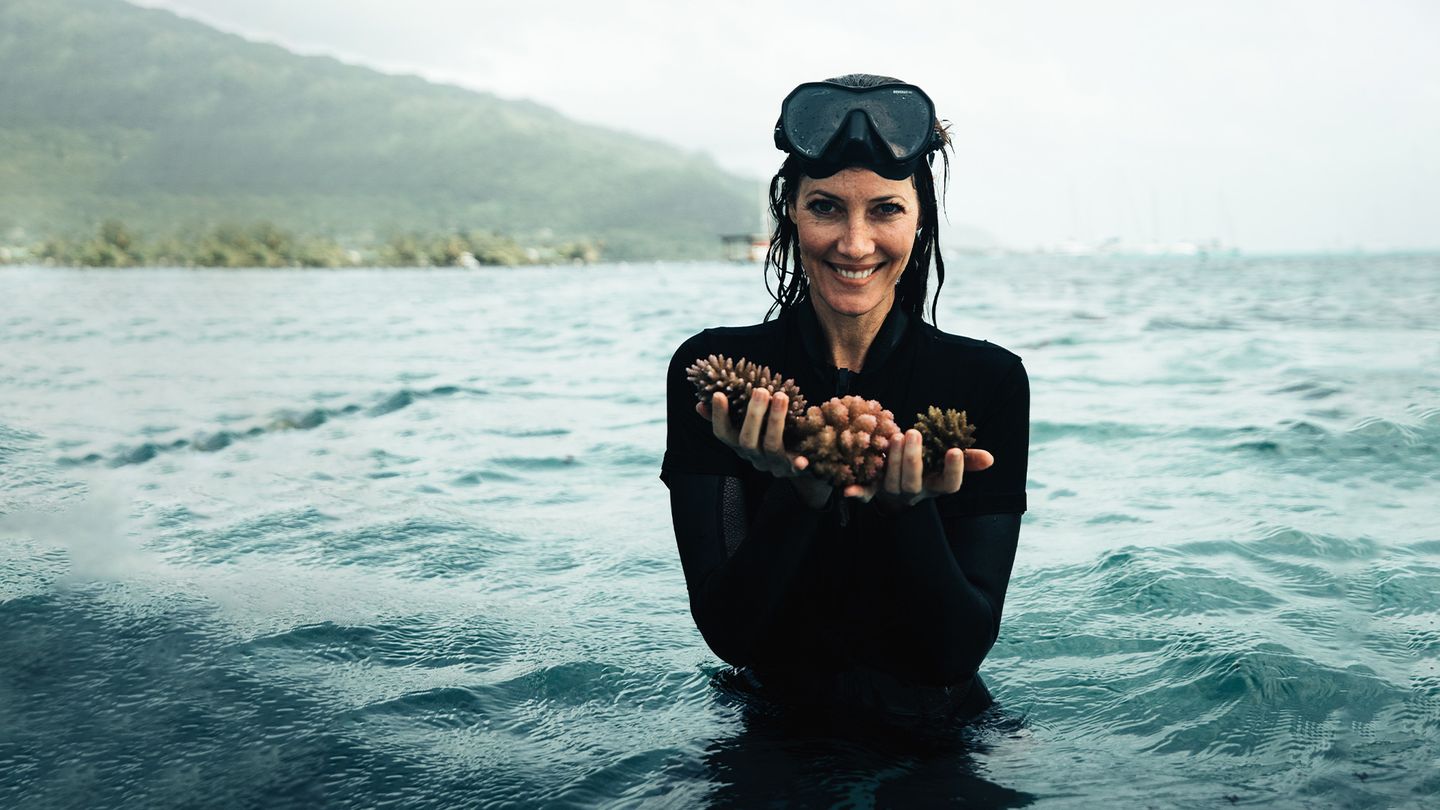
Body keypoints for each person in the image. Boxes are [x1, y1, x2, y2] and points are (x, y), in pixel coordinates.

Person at [662, 74, 1029, 720]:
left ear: (920, 219)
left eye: (885, 209)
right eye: (826, 206)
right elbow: (730, 636)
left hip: (940, 732)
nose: (854, 243)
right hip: (777, 725)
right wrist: (799, 497)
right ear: (790, 212)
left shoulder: (988, 382)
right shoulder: (710, 372)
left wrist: (907, 508)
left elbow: (957, 653)